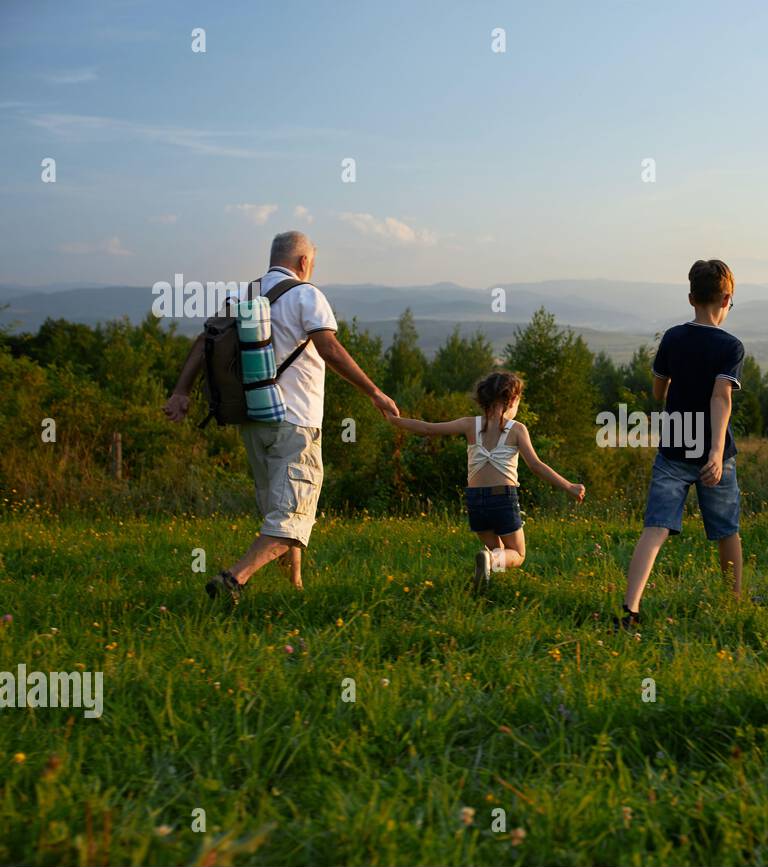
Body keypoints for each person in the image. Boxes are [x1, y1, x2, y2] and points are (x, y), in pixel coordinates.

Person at [163, 231, 399, 599]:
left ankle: (295, 587)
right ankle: (234, 580)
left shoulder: (242, 296)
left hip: (251, 419)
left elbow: (203, 341)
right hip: (296, 421)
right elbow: (330, 348)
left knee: (281, 508)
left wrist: (181, 392)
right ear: (304, 262)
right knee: (294, 515)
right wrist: (374, 392)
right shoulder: (308, 295)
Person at [620, 259, 745, 629]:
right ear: (726, 299)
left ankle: (630, 609)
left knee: (655, 527)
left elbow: (659, 390)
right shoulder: (731, 346)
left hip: (674, 445)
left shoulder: (672, 337)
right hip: (714, 452)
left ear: (691, 298)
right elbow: (722, 397)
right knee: (726, 530)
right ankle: (734, 600)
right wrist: (717, 452)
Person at [385, 371, 585, 584]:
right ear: (512, 400)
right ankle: (488, 561)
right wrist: (569, 486)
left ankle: (489, 580)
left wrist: (395, 420)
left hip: (475, 500)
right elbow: (535, 465)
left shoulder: (470, 424)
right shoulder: (517, 429)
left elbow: (427, 428)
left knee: (498, 552)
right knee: (517, 555)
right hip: (503, 498)